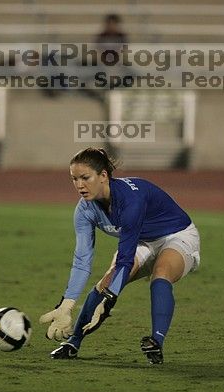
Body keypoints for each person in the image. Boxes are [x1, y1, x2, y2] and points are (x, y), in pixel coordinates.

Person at [39, 148, 201, 364]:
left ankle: (156, 342)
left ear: (103, 176)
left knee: (161, 274)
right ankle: (72, 342)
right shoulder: (85, 210)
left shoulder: (130, 199)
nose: (79, 185)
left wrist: (109, 301)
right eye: (74, 179)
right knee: (105, 283)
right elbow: (82, 260)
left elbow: (125, 259)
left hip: (177, 235)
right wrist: (67, 303)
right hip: (142, 241)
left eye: (85, 178)